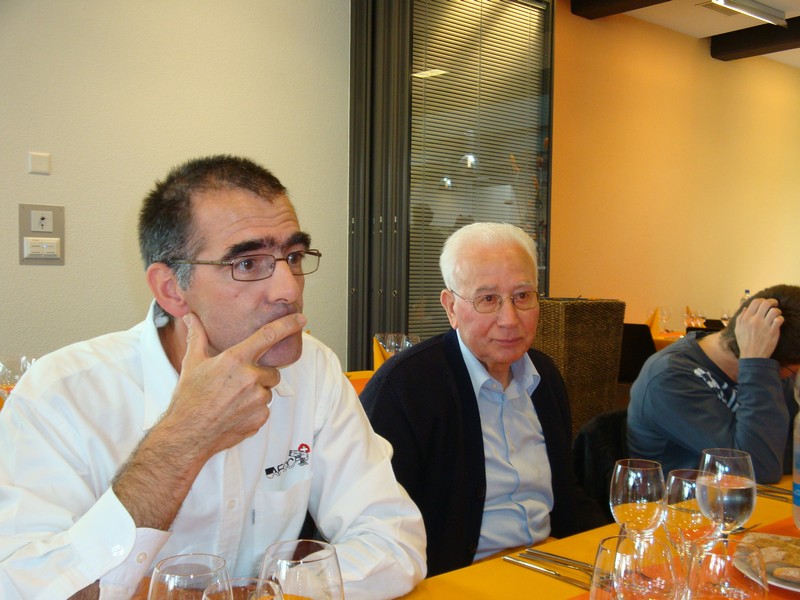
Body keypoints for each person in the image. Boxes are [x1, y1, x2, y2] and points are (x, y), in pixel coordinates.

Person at [0, 155, 426, 599]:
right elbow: (23, 588)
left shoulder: (312, 368)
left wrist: (254, 592)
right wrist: (184, 437)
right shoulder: (61, 394)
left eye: (294, 256)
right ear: (172, 290)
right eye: (247, 263)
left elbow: (394, 544)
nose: (289, 289)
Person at [359, 222, 607, 577]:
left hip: (551, 564)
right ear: (451, 308)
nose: (510, 319)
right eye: (488, 299)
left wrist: (618, 546)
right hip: (454, 578)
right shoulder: (404, 388)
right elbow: (375, 525)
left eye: (522, 296)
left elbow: (566, 495)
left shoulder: (544, 377)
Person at [627, 284, 800, 483]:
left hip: (745, 497)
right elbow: (757, 469)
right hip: (682, 500)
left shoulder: (778, 368)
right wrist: (756, 365)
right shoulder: (670, 378)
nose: (794, 377)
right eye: (795, 370)